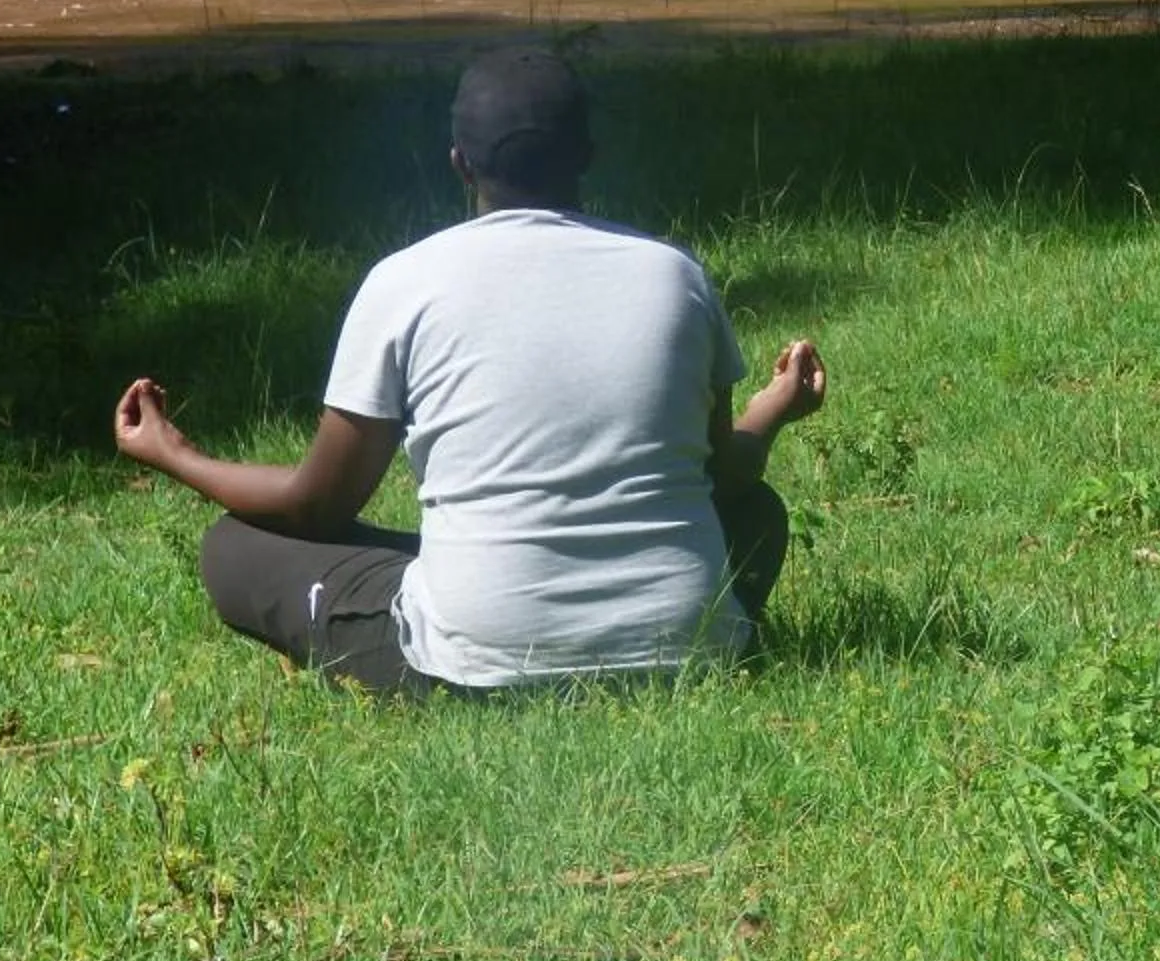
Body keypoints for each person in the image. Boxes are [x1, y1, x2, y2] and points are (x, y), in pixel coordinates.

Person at [111, 47, 825, 694]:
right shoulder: (676, 276)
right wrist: (773, 408)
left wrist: (175, 453)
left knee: (234, 544)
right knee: (754, 512)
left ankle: (477, 607)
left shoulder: (406, 282)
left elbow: (314, 507)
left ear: (459, 163)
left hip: (474, 664)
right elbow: (725, 475)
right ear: (588, 155)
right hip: (691, 649)